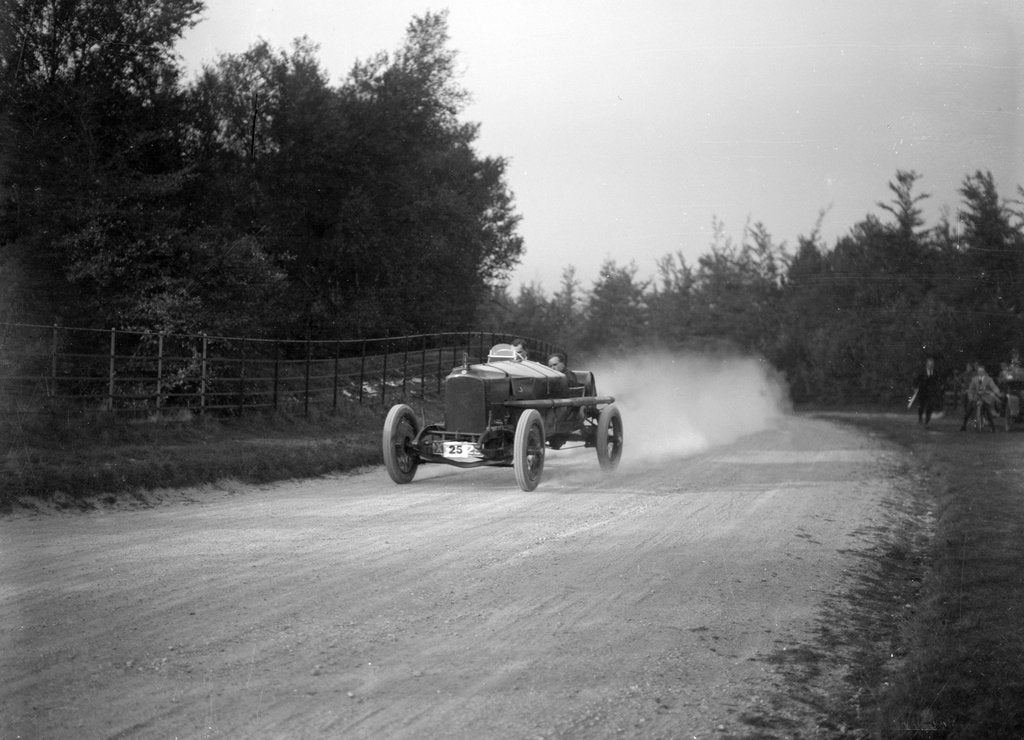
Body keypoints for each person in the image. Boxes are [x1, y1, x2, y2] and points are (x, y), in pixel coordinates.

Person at [962, 363, 1002, 431]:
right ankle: (963, 426)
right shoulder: (974, 379)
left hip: (985, 397)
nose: (980, 373)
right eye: (979, 371)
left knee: (988, 411)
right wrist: (971, 397)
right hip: (976, 397)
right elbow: (971, 389)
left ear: (984, 372)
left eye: (982, 371)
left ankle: (993, 427)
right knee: (969, 410)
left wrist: (996, 391)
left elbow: (993, 386)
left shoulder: (988, 379)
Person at [911, 356, 942, 426]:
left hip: (931, 393)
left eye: (932, 364)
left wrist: (937, 389)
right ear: (927, 364)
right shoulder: (922, 372)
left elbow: (938, 382)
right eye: (929, 364)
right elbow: (916, 380)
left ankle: (927, 421)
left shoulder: (936, 373)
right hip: (922, 392)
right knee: (921, 406)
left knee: (930, 406)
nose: (930, 366)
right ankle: (920, 418)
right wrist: (915, 388)